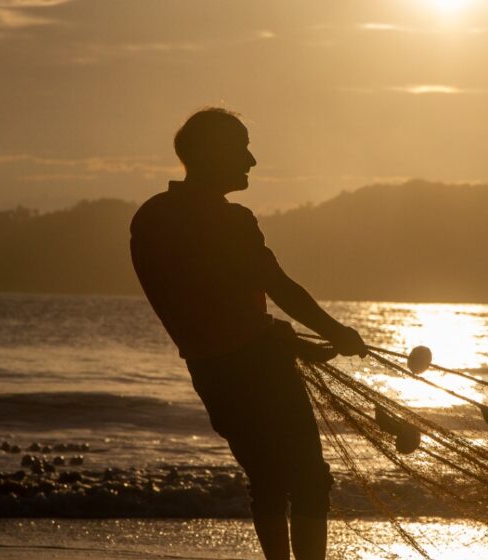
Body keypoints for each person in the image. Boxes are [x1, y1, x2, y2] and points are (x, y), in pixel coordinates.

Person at [130, 107, 367, 560]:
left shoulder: (150, 219)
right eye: (241, 148)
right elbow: (277, 286)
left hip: (210, 373)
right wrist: (338, 333)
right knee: (310, 480)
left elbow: (201, 309)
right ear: (208, 153)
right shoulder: (229, 220)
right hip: (259, 368)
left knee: (268, 481)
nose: (252, 160)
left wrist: (285, 339)